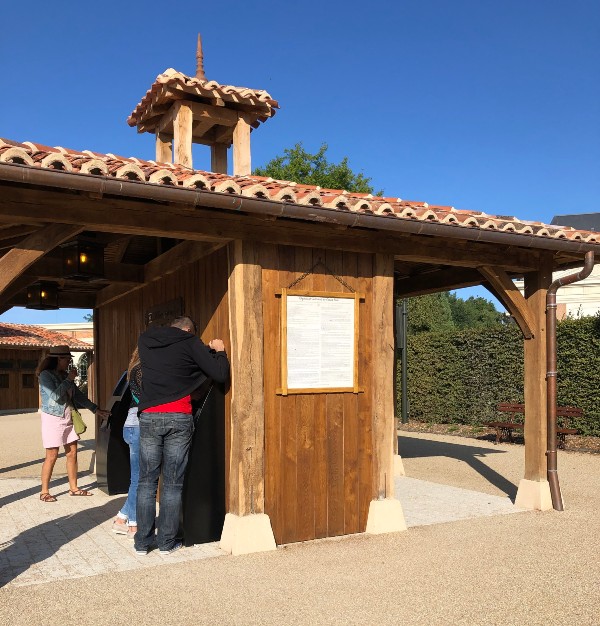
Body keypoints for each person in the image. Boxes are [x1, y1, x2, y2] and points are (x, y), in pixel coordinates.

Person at [135, 316, 229, 556]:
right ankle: (166, 543)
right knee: (173, 483)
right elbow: (219, 374)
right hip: (178, 416)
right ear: (188, 329)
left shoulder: (146, 340)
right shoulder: (190, 342)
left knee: (147, 482)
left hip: (149, 416)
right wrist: (219, 351)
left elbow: (169, 360)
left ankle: (143, 543)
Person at [37, 345, 110, 501]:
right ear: (58, 359)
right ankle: (44, 491)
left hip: (67, 416)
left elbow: (78, 396)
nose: (69, 362)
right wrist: (69, 380)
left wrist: (95, 409)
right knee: (52, 455)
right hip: (52, 418)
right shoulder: (45, 375)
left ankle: (74, 488)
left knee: (72, 453)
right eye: (67, 359)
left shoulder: (64, 375)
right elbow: (55, 396)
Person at [112, 347, 142, 538]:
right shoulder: (142, 369)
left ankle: (122, 517)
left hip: (130, 425)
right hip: (139, 426)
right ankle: (133, 523)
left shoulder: (132, 369)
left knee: (138, 477)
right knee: (139, 478)